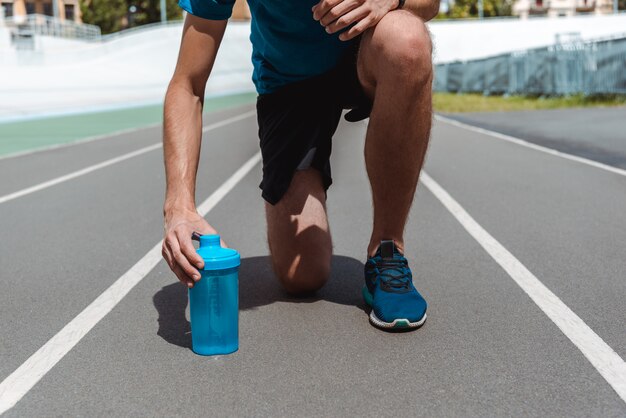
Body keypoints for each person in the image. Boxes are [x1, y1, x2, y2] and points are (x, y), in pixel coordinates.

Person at [161, 0, 439, 330]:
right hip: (289, 80)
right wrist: (178, 205)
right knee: (302, 274)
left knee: (406, 39)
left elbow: (430, 3)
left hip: (366, 48)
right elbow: (188, 83)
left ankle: (388, 248)